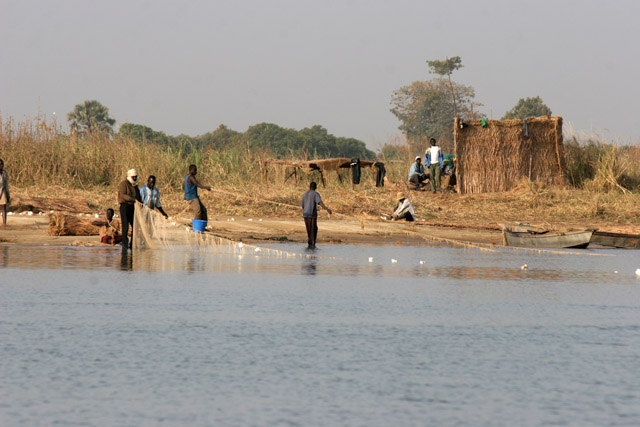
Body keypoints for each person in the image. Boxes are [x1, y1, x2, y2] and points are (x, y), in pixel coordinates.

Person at [301, 181, 332, 249]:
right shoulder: (315, 194)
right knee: (314, 229)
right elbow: (320, 202)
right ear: (315, 187)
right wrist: (327, 209)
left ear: (310, 187)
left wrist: (306, 210)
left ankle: (310, 242)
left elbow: (303, 205)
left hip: (305, 214)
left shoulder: (304, 194)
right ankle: (313, 243)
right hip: (312, 214)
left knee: (309, 229)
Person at [117, 168, 142, 250]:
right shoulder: (124, 184)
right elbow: (123, 195)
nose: (135, 178)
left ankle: (132, 243)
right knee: (125, 226)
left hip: (132, 207)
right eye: (133, 177)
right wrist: (131, 199)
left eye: (136, 177)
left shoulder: (135, 186)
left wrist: (141, 204)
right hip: (125, 206)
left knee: (134, 226)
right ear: (129, 176)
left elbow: (138, 197)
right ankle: (124, 243)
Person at [0, 159, 9, 226]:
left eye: (2, 164)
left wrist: (7, 194)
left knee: (3, 207)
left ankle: (4, 223)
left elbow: (6, 184)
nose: (1, 166)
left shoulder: (4, 174)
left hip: (2, 191)